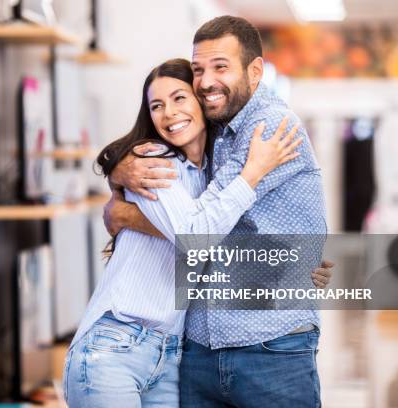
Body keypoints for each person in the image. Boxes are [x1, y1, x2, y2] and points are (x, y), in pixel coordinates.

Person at [63, 58, 331, 408]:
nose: (169, 113)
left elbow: (219, 235)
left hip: (170, 353)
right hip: (116, 343)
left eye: (179, 99)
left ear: (201, 103)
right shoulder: (153, 162)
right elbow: (196, 237)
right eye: (156, 105)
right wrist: (252, 173)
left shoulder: (210, 172)